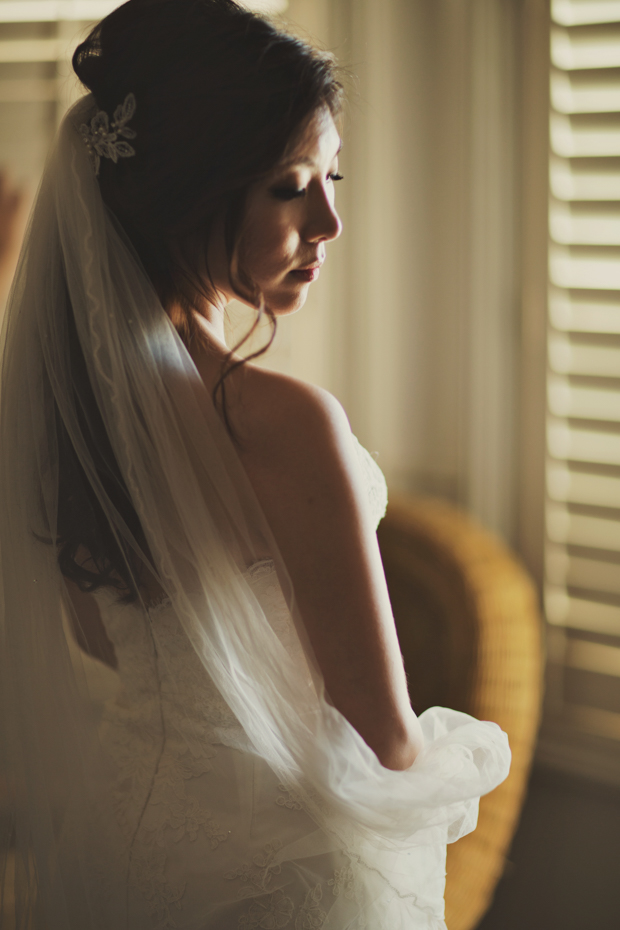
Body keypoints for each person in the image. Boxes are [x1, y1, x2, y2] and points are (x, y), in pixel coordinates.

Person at [0, 1, 510, 928]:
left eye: (332, 177)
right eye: (290, 186)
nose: (330, 220)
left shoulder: (66, 412)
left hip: (129, 847)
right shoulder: (282, 421)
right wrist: (458, 766)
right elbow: (378, 728)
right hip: (284, 876)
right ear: (192, 194)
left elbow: (102, 644)